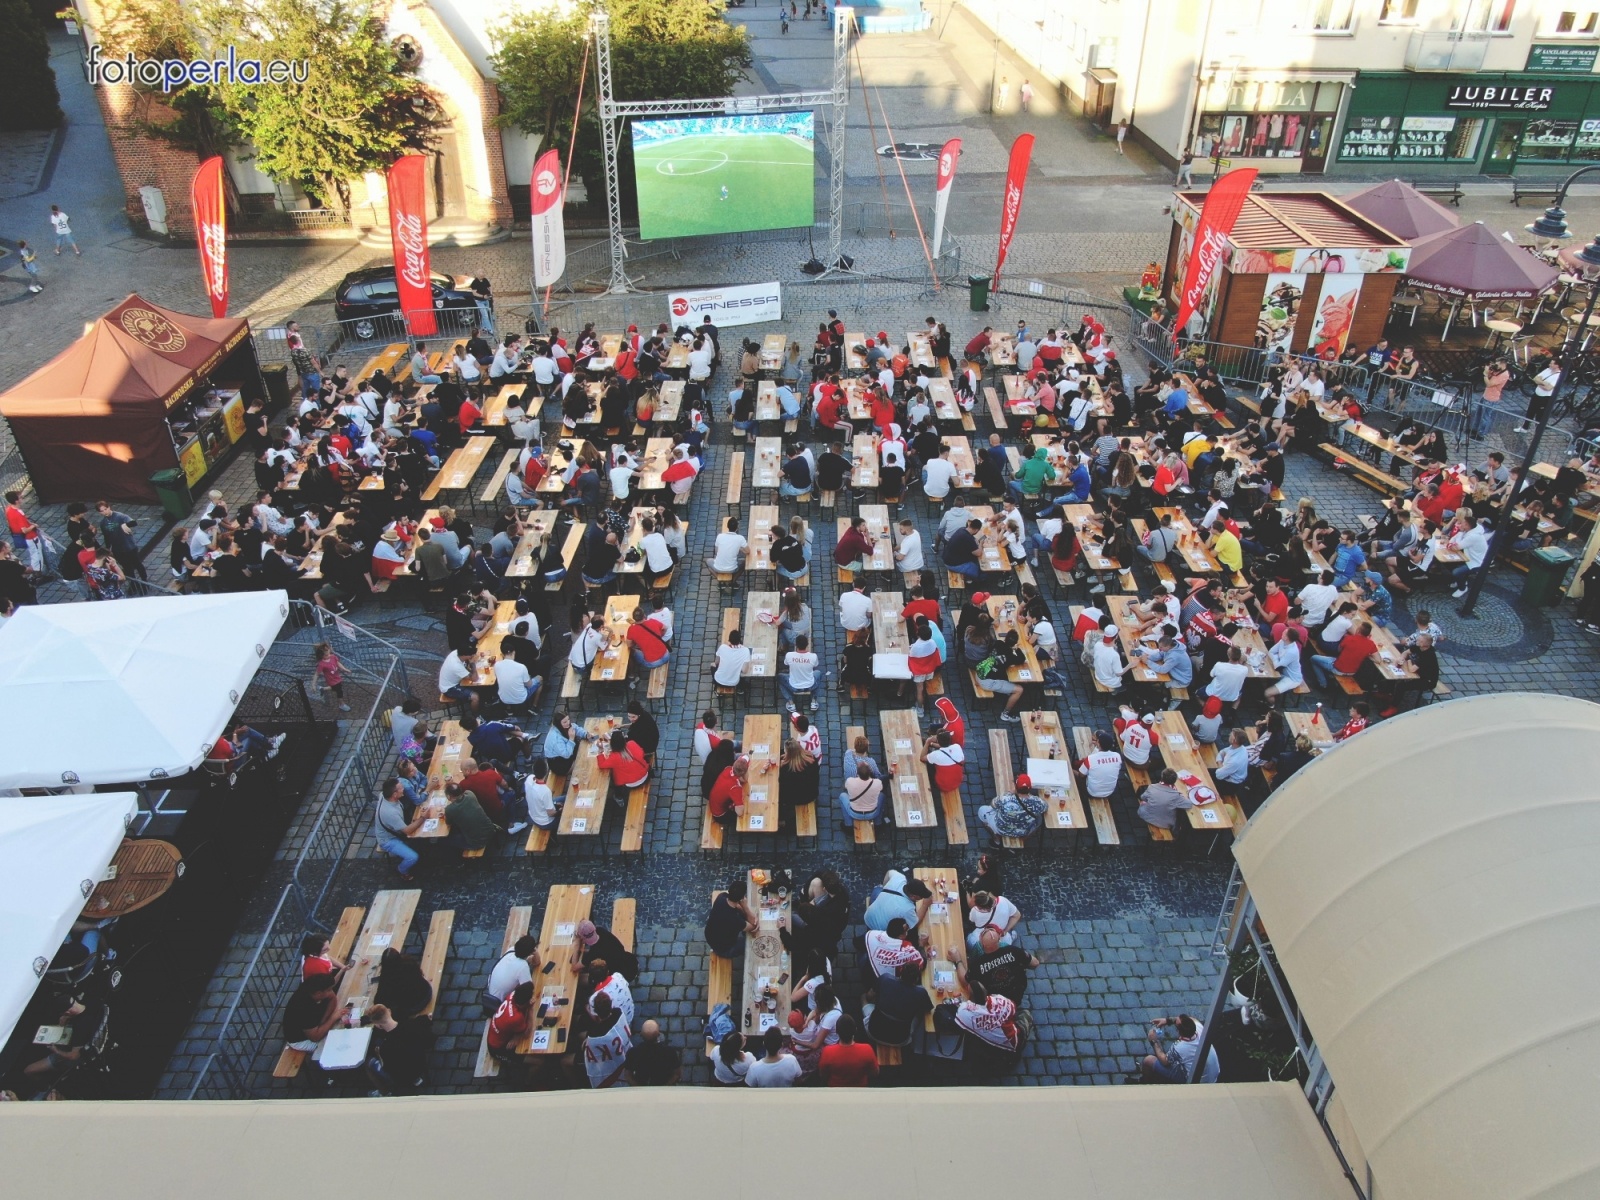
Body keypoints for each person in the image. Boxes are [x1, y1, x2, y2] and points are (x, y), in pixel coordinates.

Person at [363, 1003, 433, 1096]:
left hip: (402, 1076)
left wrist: (379, 1054)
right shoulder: (413, 1024)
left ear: (378, 1025)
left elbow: (388, 1068)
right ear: (389, 1011)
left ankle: (385, 1092)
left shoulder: (385, 1047)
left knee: (368, 1063)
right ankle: (416, 1079)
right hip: (420, 1062)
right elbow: (427, 1021)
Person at [864, 960, 934, 1048]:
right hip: (900, 1040)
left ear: (901, 972)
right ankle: (915, 1042)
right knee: (920, 1014)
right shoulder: (921, 993)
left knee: (863, 997)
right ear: (917, 979)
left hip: (874, 1032)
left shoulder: (885, 979)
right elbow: (928, 1009)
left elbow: (869, 997)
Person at [1138, 1013, 1220, 1083]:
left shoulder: (1179, 1047)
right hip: (1212, 1077)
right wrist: (1167, 1020)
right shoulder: (1199, 1028)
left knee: (1148, 1061)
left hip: (1197, 1082)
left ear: (1179, 1032)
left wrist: (1154, 1042)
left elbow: (1165, 1061)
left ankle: (1145, 1083)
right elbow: (1192, 1019)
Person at [968, 926, 1039, 1004]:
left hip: (995, 1001)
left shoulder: (978, 964)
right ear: (999, 940)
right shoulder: (1013, 950)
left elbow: (966, 980)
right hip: (1016, 993)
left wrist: (959, 961)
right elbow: (1035, 963)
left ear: (981, 944)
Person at [282, 972, 343, 1052]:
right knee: (336, 1046)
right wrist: (332, 1018)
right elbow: (315, 1037)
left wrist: (323, 1022)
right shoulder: (304, 1009)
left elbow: (332, 998)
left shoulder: (312, 988)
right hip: (301, 1040)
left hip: (314, 1027)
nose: (331, 991)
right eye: (328, 990)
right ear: (319, 994)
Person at [582, 992, 633, 1088]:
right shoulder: (618, 1012)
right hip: (625, 1053)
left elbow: (588, 1050)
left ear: (596, 1011)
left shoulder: (596, 1034)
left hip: (609, 1068)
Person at [978, 773, 1047, 841]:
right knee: (1039, 819)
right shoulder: (1037, 802)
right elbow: (1045, 807)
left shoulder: (1005, 798)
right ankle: (1025, 839)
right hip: (1022, 832)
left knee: (982, 810)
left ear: (1016, 786)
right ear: (1030, 788)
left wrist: (1010, 793)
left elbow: (993, 804)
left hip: (1001, 829)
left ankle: (996, 839)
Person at [484, 935, 542, 1013]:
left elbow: (533, 962)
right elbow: (528, 990)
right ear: (530, 952)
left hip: (491, 992)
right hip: (500, 1003)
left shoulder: (511, 950)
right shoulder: (523, 966)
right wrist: (535, 951)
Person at [817, 1013, 878, 1086]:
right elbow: (875, 1073)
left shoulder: (827, 1052)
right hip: (861, 1090)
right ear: (855, 1030)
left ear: (837, 1032)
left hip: (835, 1091)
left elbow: (823, 1076)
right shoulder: (867, 1049)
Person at [863, 869, 932, 931]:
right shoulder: (907, 909)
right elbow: (914, 924)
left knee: (878, 889)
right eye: (921, 897)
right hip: (878, 929)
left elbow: (889, 872)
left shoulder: (899, 878)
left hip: (868, 916)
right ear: (913, 896)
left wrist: (885, 886)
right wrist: (925, 905)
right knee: (904, 930)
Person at [705, 879, 758, 958]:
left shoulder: (722, 897)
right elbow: (753, 926)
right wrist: (745, 907)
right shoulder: (735, 920)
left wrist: (741, 907)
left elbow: (737, 907)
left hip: (711, 937)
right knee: (752, 944)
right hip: (723, 949)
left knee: (743, 919)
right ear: (742, 898)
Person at [578, 917, 639, 982]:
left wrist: (576, 946)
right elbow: (604, 951)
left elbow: (575, 967)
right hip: (630, 961)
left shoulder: (593, 953)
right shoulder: (600, 931)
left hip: (623, 975)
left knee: (590, 978)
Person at [625, 1021, 680, 1085]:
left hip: (641, 1093)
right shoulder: (670, 1052)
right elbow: (677, 1074)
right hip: (664, 1093)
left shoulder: (633, 1053)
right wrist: (665, 1088)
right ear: (659, 1034)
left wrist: (638, 1088)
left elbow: (628, 1075)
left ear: (641, 1034)